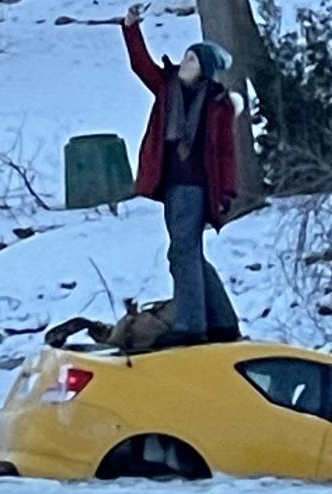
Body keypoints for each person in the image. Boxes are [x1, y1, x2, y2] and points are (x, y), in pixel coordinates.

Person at [121, 3, 242, 347]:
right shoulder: (167, 87)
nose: (184, 62)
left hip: (197, 187)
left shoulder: (217, 104)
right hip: (171, 186)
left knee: (182, 252)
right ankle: (222, 321)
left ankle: (192, 323)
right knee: (188, 253)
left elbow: (226, 153)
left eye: (191, 59)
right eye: (186, 57)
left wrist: (226, 193)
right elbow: (140, 64)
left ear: (202, 69)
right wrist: (131, 27)